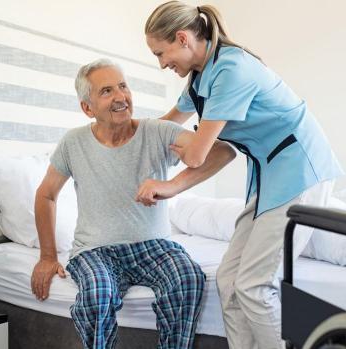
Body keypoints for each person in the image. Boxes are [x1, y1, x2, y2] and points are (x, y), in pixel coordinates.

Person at [145, 2, 344, 348]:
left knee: (254, 285)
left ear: (182, 39)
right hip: (270, 175)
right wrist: (123, 136)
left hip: (300, 170)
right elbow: (168, 122)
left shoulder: (231, 69)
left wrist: (171, 177)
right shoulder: (200, 76)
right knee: (227, 280)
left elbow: (197, 154)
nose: (162, 64)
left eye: (161, 53)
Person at [30, 58, 236, 349]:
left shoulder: (158, 131)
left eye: (123, 87)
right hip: (94, 250)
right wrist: (48, 256)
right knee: (98, 295)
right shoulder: (73, 143)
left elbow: (222, 152)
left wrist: (172, 186)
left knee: (187, 278)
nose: (120, 97)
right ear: (87, 108)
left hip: (153, 246)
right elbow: (46, 194)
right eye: (106, 91)